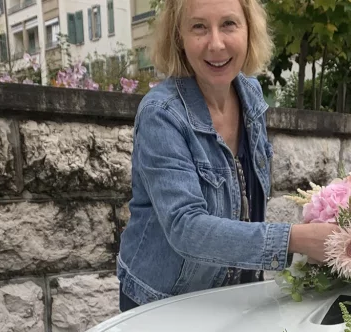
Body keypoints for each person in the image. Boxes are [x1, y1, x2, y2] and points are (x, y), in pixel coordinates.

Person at [117, 0, 338, 311]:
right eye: (199, 27)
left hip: (232, 297)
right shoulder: (161, 114)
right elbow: (186, 227)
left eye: (229, 24)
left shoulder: (250, 95)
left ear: (249, 30)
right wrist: (295, 239)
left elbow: (247, 203)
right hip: (162, 304)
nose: (216, 44)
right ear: (178, 36)